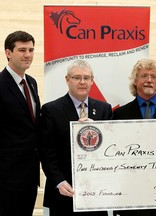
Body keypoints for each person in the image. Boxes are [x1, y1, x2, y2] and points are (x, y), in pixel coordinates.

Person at [0, 30, 40, 216]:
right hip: (5, 181)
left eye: (31, 50)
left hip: (28, 178)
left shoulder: (32, 83)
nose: (27, 55)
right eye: (22, 50)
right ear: (8, 53)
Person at [39, 60, 112, 216]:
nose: (82, 82)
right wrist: (59, 181)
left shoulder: (104, 109)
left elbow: (111, 149)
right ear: (67, 79)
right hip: (64, 193)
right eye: (77, 77)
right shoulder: (51, 110)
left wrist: (99, 131)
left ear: (92, 81)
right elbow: (46, 152)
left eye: (86, 78)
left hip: (96, 195)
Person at [112, 59, 156, 216]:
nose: (149, 80)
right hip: (130, 195)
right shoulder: (119, 114)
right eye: (144, 76)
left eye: (154, 76)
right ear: (135, 81)